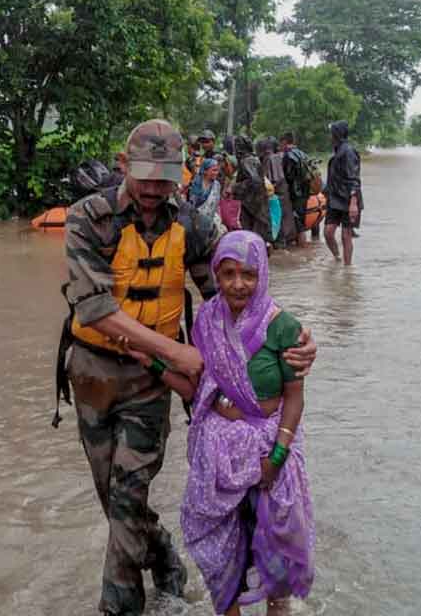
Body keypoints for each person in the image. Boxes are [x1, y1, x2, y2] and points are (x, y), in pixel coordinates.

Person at [59, 119, 317, 616]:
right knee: (112, 500)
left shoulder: (194, 225)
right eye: (146, 177)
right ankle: (167, 560)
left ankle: (120, 608)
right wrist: (179, 351)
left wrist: (296, 338)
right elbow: (92, 308)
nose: (156, 190)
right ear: (122, 166)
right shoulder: (88, 218)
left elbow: (235, 302)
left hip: (150, 382)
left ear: (181, 173)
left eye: (166, 178)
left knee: (128, 495)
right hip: (93, 373)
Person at [177, 230, 316, 615]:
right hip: (219, 454)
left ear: (263, 275)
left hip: (268, 451)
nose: (239, 285)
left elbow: (294, 396)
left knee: (274, 549)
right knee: (223, 550)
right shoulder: (206, 320)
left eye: (249, 274)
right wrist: (149, 360)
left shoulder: (283, 327)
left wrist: (277, 455)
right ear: (216, 276)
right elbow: (196, 386)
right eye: (229, 274)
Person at [325, 120, 363, 265]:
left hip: (348, 199)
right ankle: (337, 258)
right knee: (328, 233)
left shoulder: (348, 152)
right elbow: (334, 178)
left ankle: (348, 269)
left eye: (331, 134)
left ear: (337, 134)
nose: (329, 137)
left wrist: (353, 203)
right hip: (335, 200)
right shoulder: (338, 150)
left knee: (346, 236)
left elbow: (354, 178)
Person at [279, 132, 310, 247]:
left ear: (284, 142)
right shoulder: (303, 154)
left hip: (295, 194)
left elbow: (287, 177)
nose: (280, 147)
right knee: (301, 221)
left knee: (299, 224)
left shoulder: (288, 156)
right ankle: (301, 249)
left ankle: (302, 251)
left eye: (280, 144)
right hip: (305, 193)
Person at [187, 157, 223, 225]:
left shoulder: (217, 185)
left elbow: (217, 205)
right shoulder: (196, 183)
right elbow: (192, 204)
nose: (216, 173)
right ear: (205, 171)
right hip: (196, 220)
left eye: (217, 170)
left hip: (210, 220)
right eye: (214, 170)